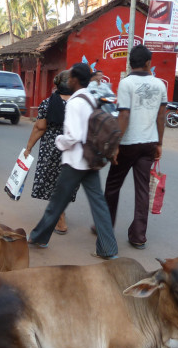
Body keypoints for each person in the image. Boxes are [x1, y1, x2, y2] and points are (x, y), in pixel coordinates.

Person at [27, 63, 119, 260]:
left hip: (75, 161)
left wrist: (59, 141)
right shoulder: (91, 99)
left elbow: (73, 136)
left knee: (56, 202)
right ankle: (108, 249)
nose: (68, 81)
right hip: (91, 159)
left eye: (70, 78)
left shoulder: (74, 103)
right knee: (99, 205)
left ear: (75, 80)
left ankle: (38, 237)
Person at [104, 44, 167, 251]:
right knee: (142, 190)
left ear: (130, 63)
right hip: (149, 143)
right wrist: (159, 143)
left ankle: (105, 227)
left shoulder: (126, 83)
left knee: (113, 186)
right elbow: (161, 116)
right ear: (148, 63)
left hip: (127, 144)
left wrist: (115, 144)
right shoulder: (160, 85)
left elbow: (124, 115)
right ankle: (139, 236)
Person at [23, 71, 77, 235]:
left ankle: (60, 221)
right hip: (74, 149)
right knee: (66, 182)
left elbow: (40, 127)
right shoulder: (79, 103)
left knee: (54, 183)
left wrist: (29, 147)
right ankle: (60, 214)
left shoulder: (48, 103)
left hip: (52, 150)